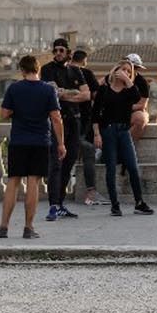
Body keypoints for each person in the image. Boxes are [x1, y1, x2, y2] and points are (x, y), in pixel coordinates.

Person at [0, 56, 66, 237]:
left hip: (18, 141)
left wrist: (16, 109)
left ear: (22, 69)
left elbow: (4, 114)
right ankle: (28, 228)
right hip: (40, 141)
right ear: (38, 69)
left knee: (13, 182)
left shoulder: (14, 88)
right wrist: (61, 143)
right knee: (33, 183)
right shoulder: (48, 90)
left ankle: (3, 227)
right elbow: (56, 118)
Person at [92, 61, 155, 217]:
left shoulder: (129, 92)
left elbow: (137, 98)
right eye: (123, 69)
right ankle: (115, 205)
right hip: (108, 131)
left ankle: (139, 203)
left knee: (133, 167)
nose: (126, 72)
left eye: (129, 71)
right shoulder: (104, 90)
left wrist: (128, 81)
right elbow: (95, 114)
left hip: (124, 131)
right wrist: (97, 134)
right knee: (111, 168)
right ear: (116, 70)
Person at [42, 38, 92, 220]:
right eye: (55, 50)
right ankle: (53, 206)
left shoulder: (76, 70)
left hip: (75, 121)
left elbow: (86, 95)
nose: (58, 53)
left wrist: (67, 95)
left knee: (69, 163)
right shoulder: (47, 70)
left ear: (68, 53)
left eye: (61, 50)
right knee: (55, 163)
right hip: (58, 122)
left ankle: (60, 203)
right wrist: (73, 93)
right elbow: (53, 94)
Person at [70, 49, 105, 206]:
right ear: (84, 60)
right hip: (84, 121)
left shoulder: (63, 72)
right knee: (89, 153)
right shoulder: (86, 73)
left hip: (65, 120)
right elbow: (97, 96)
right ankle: (90, 192)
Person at [125, 53, 151, 143]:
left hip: (134, 112)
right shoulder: (114, 78)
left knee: (140, 119)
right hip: (115, 111)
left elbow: (142, 105)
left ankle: (126, 145)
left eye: (135, 68)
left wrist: (124, 106)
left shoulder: (142, 83)